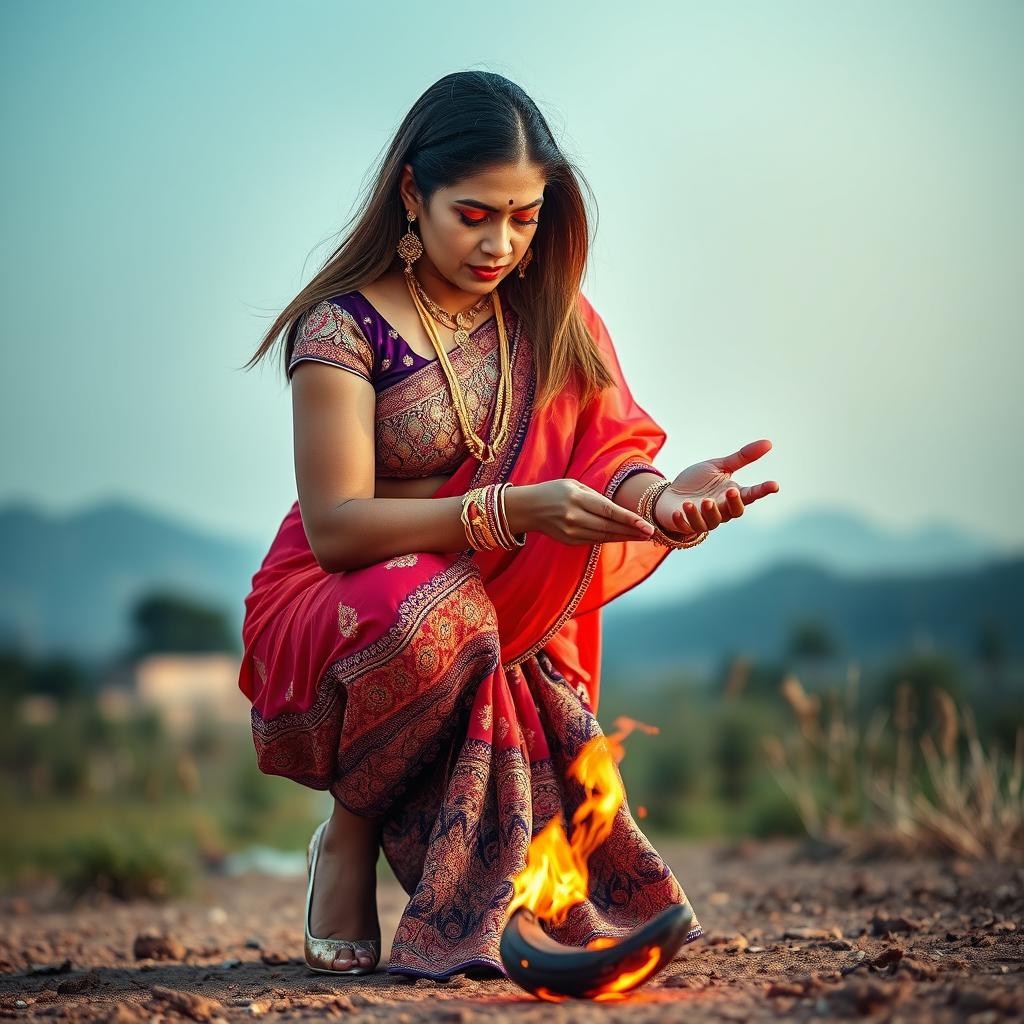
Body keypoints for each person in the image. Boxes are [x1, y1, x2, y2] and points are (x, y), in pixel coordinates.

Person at [237, 70, 779, 980]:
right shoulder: (343, 329)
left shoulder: (548, 315)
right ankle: (348, 836)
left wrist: (660, 501)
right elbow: (335, 528)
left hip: (494, 609)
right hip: (342, 606)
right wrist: (506, 509)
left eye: (525, 217)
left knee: (511, 651)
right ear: (412, 192)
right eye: (475, 213)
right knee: (437, 609)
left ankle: (529, 913)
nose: (501, 242)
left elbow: (605, 450)